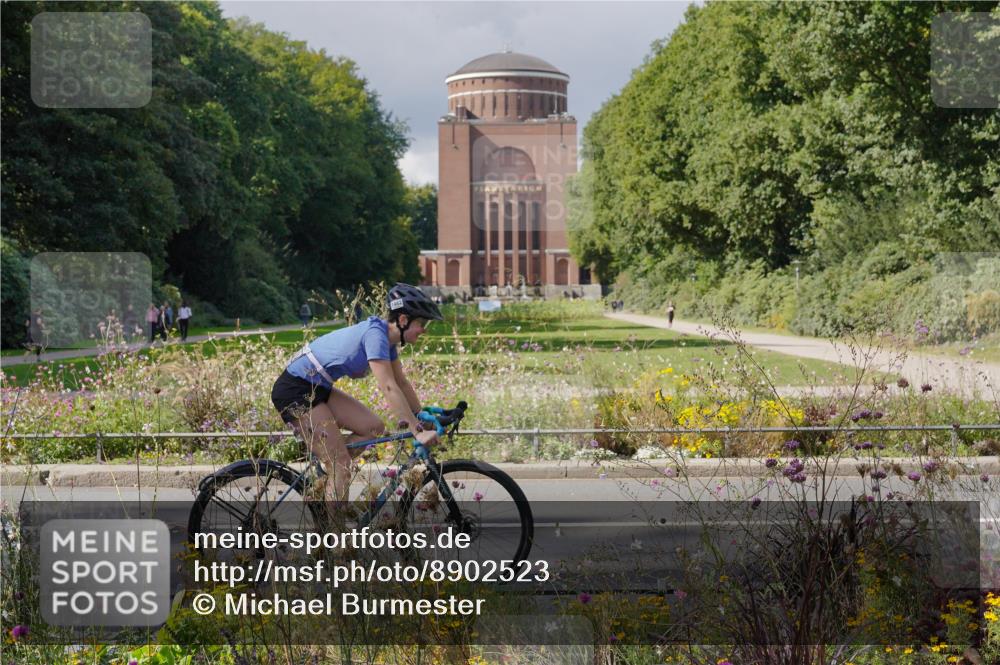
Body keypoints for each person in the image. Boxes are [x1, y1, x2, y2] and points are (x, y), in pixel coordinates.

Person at [271, 283, 443, 506]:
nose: (424, 329)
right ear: (402, 321)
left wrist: (420, 416)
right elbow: (389, 387)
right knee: (341, 465)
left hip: (317, 387)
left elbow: (401, 382)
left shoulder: (387, 341)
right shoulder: (376, 336)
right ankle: (335, 538)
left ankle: (327, 476)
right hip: (295, 389)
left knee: (373, 429)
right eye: (421, 323)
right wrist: (416, 431)